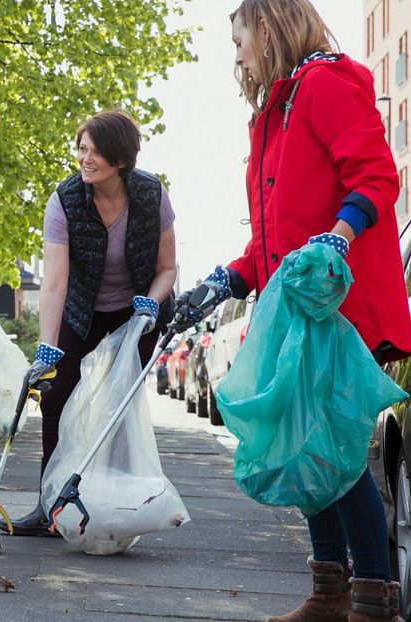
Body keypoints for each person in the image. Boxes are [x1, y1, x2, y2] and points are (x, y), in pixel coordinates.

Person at [172, 2, 411, 620]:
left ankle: (372, 598)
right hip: (299, 314)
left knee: (333, 453)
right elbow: (272, 238)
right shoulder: (276, 113)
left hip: (337, 308)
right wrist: (224, 279)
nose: (238, 55)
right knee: (306, 451)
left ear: (269, 28)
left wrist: (340, 233)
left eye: (241, 39)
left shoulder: (325, 87)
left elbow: (377, 177)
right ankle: (330, 591)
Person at [2, 110, 177, 537]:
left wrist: (151, 305)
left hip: (136, 311)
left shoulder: (152, 195)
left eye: (96, 152)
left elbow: (168, 268)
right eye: (82, 149)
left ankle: (116, 504)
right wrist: (47, 348)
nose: (85, 158)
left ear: (119, 159)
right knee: (57, 395)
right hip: (81, 307)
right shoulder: (64, 201)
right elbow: (55, 282)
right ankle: (49, 507)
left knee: (119, 408)